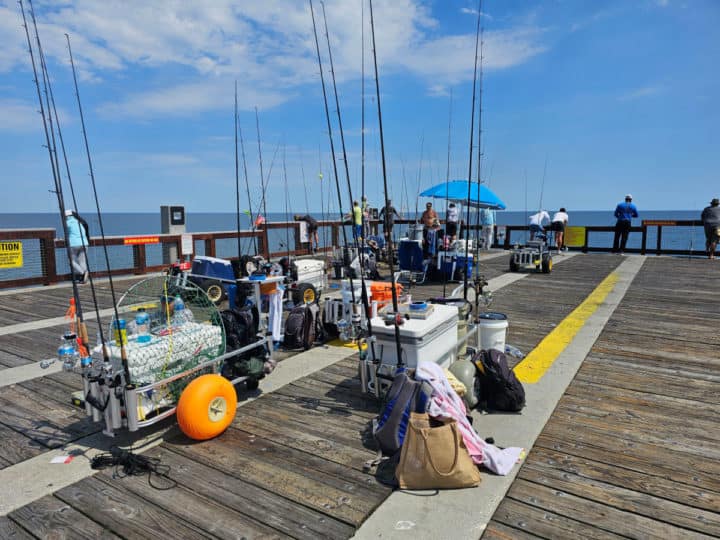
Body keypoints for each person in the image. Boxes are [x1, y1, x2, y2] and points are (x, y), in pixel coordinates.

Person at [65, 209, 89, 283]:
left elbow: (68, 233)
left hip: (74, 244)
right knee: (82, 261)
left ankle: (82, 273)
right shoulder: (80, 222)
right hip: (84, 243)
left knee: (70, 261)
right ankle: (83, 278)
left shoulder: (67, 223)